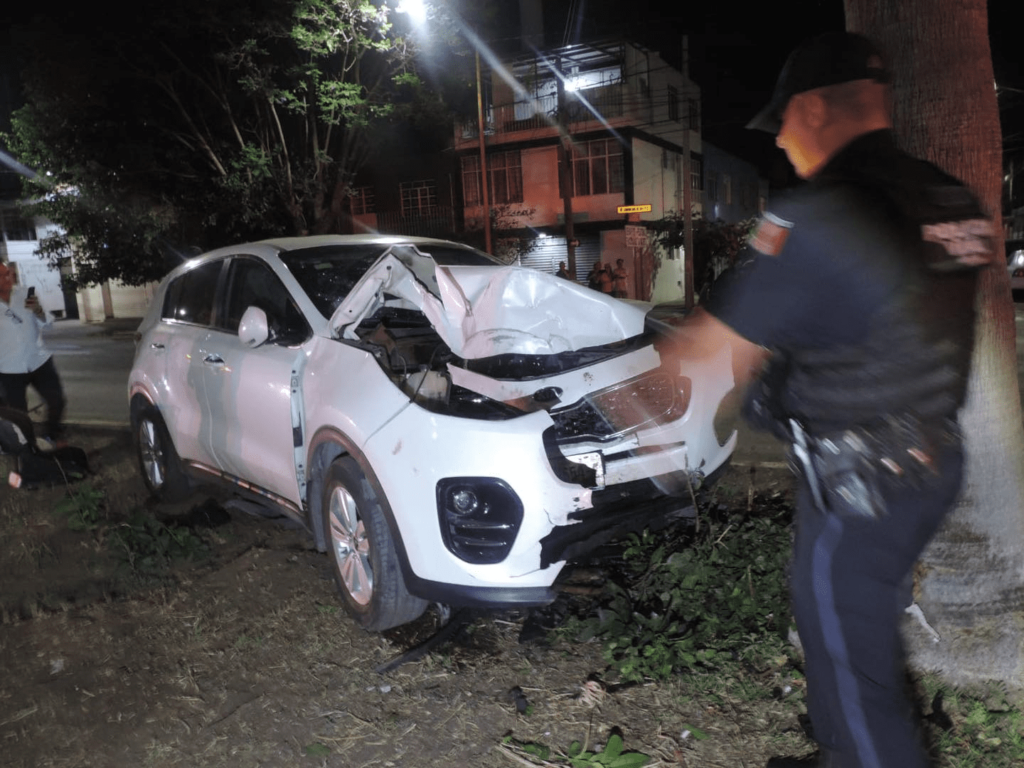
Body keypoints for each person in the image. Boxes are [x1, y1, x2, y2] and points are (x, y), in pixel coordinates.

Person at [661, 32, 992, 768]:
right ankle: (839, 751)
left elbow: (709, 354)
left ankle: (861, 751)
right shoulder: (951, 197)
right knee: (837, 625)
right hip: (930, 459)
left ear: (812, 109)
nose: (779, 137)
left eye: (782, 119)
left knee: (851, 660)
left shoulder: (815, 215)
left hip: (860, 483)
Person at [0, 262, 66, 442]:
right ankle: (27, 448)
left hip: (38, 360)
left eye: (8, 273)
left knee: (57, 401)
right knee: (18, 415)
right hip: (9, 370)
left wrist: (38, 310)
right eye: (2, 276)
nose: (7, 278)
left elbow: (47, 323)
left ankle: (50, 435)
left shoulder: (26, 293)